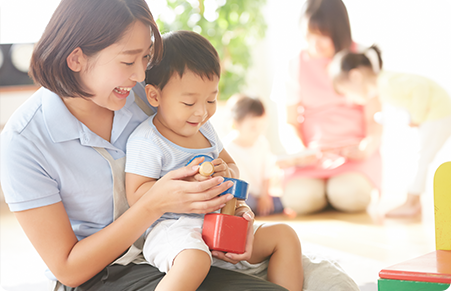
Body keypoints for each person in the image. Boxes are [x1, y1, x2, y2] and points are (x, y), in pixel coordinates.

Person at [0, 0, 361, 290]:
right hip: (111, 271)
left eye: (145, 59)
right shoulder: (24, 141)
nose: (141, 76)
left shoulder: (149, 93)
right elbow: (68, 269)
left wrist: (232, 202)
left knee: (336, 283)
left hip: (205, 235)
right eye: (128, 61)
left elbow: (224, 161)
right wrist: (155, 203)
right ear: (76, 58)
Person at [125, 30, 303, 291]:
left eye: (211, 99)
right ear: (154, 96)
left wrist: (226, 170)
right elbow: (136, 196)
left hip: (220, 220)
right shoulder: (148, 140)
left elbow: (232, 166)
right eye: (188, 102)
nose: (201, 111)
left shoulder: (205, 130)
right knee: (195, 260)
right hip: (174, 228)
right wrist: (183, 186)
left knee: (285, 236)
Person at [270, 0, 382, 215]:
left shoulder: (363, 57)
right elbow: (289, 123)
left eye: (322, 35)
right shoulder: (292, 65)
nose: (315, 43)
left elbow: (374, 118)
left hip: (354, 154)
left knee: (349, 195)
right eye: (309, 34)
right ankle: (325, 192)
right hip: (312, 156)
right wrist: (300, 151)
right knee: (299, 199)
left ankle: (333, 192)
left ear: (340, 31)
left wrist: (366, 148)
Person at [329, 45, 451, 218]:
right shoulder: (385, 87)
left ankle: (412, 202)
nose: (349, 99)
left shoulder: (386, 83)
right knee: (420, 158)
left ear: (355, 76)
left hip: (439, 114)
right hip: (437, 115)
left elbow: (419, 88)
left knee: (421, 158)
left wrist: (416, 117)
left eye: (346, 92)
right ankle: (412, 201)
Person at [223, 94, 292, 217]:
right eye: (253, 127)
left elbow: (267, 172)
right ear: (235, 125)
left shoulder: (262, 143)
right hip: (241, 195)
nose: (259, 132)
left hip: (261, 194)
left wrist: (265, 196)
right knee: (245, 202)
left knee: (286, 200)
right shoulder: (227, 148)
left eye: (262, 126)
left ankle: (259, 208)